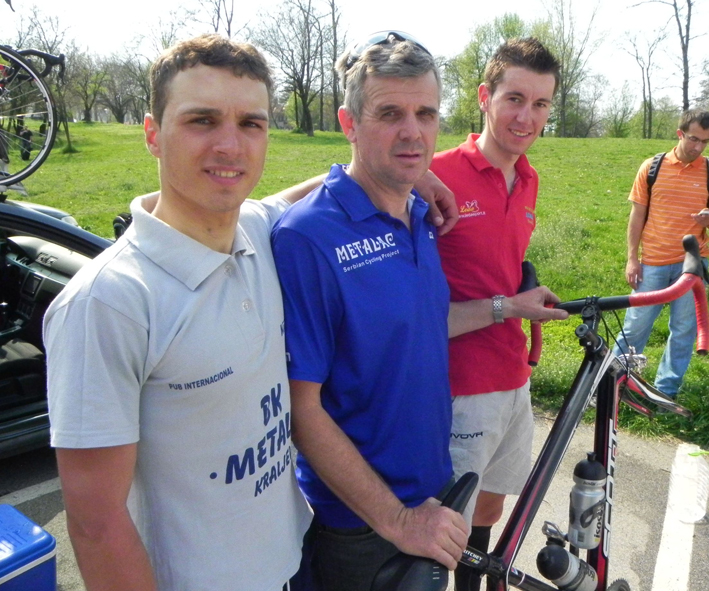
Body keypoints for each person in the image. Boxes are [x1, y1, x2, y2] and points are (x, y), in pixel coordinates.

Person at [44, 35, 314, 591]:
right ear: (152, 134)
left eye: (251, 124)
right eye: (202, 121)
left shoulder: (256, 230)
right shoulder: (108, 304)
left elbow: (299, 197)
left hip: (289, 563)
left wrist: (404, 175)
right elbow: (96, 525)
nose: (230, 146)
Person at [270, 32, 470, 591]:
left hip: (431, 491)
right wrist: (398, 520)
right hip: (362, 526)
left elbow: (416, 327)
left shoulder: (418, 214)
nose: (413, 132)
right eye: (389, 113)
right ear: (349, 123)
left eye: (425, 113)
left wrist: (505, 309)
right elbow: (301, 408)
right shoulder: (308, 236)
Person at [425, 38, 567, 591]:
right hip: (460, 385)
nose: (526, 117)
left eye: (540, 104)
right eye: (514, 99)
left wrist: (524, 296)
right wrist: (509, 306)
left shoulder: (529, 178)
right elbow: (411, 307)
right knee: (449, 524)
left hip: (514, 377)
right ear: (485, 97)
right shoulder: (435, 175)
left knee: (489, 509)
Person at [612, 109, 709, 398]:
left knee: (683, 330)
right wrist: (632, 258)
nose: (698, 147)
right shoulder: (652, 168)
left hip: (693, 265)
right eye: (693, 139)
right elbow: (636, 216)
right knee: (635, 327)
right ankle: (613, 385)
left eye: (705, 142)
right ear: (680, 134)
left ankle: (666, 391)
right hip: (652, 262)